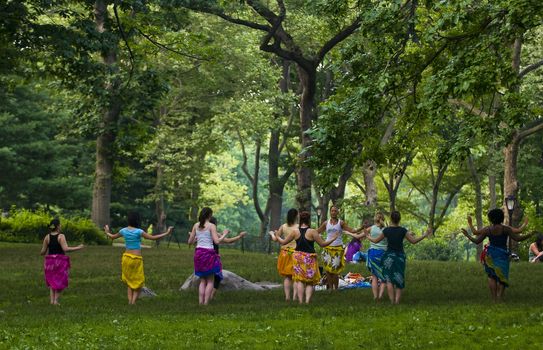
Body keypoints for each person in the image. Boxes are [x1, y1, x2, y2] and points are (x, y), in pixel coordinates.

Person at [270, 211, 339, 304]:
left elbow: (283, 242)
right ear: (308, 220)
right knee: (310, 282)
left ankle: (301, 302)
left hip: (298, 257)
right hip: (309, 258)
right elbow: (323, 244)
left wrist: (277, 236)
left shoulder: (295, 232)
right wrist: (333, 239)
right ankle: (307, 301)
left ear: (300, 220)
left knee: (300, 280)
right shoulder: (312, 232)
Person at [104, 212, 173, 305]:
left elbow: (112, 237)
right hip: (136, 259)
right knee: (138, 282)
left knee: (129, 281)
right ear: (137, 221)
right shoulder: (139, 231)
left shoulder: (123, 230)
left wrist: (107, 231)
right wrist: (167, 233)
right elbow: (152, 238)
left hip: (126, 258)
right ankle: (133, 302)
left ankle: (130, 302)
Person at [365, 211, 431, 304]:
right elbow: (414, 241)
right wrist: (424, 235)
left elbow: (375, 241)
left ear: (391, 219)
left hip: (388, 257)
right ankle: (397, 302)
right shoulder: (403, 230)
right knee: (399, 278)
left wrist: (368, 236)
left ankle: (392, 302)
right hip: (400, 257)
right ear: (399, 219)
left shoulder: (386, 230)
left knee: (389, 279)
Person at [466, 209, 531, 302]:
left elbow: (476, 239)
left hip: (490, 255)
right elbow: (518, 237)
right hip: (502, 255)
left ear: (490, 219)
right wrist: (529, 233)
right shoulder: (506, 229)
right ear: (502, 217)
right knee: (502, 276)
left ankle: (494, 299)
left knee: (491, 276)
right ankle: (500, 297)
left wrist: (469, 229)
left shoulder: (487, 229)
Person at [40, 218, 84, 305]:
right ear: (58, 226)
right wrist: (78, 247)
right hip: (59, 261)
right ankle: (56, 301)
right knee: (61, 281)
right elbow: (66, 249)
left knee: (52, 281)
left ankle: (52, 301)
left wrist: (42, 252)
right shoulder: (61, 236)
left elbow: (43, 252)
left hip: (49, 262)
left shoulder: (47, 237)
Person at [315, 206, 360, 290]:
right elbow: (317, 231)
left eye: (335, 211)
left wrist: (361, 228)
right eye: (332, 211)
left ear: (337, 212)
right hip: (328, 248)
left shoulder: (341, 223)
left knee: (335, 270)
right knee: (328, 270)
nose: (333, 212)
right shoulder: (326, 223)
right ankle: (330, 288)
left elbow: (352, 230)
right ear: (330, 212)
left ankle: (336, 288)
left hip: (338, 248)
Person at [188, 207, 223, 305]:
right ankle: (206, 303)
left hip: (198, 254)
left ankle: (200, 302)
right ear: (209, 215)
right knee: (210, 281)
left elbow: (189, 242)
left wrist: (196, 239)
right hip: (209, 254)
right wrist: (224, 235)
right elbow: (217, 241)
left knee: (202, 280)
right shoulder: (212, 226)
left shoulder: (196, 225)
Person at [209, 216, 246, 300]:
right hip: (213, 258)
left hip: (202, 257)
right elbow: (229, 241)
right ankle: (210, 296)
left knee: (206, 278)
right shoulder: (215, 233)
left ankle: (203, 299)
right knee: (217, 277)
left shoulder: (201, 231)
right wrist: (240, 236)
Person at [273, 208, 299, 301]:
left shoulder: (283, 226)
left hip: (285, 253)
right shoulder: (298, 227)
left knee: (287, 277)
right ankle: (295, 297)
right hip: (296, 252)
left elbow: (276, 238)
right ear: (296, 216)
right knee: (296, 276)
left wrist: (273, 234)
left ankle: (287, 297)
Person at [364, 212, 387, 301]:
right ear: (383, 218)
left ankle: (375, 296)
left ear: (375, 219)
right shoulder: (386, 229)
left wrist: (365, 233)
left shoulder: (371, 228)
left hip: (373, 253)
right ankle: (380, 296)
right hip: (383, 254)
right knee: (383, 277)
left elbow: (358, 236)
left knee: (374, 276)